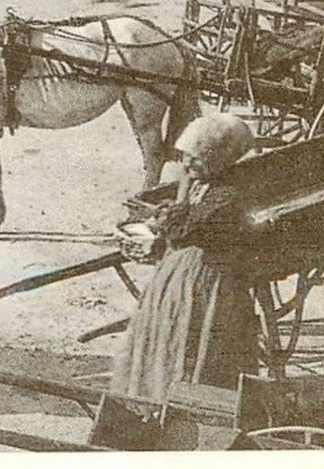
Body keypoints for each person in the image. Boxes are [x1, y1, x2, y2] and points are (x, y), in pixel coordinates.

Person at [108, 114, 261, 404]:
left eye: (197, 160)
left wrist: (166, 218)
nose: (188, 166)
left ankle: (191, 402)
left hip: (205, 280)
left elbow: (185, 228)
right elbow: (179, 220)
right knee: (165, 335)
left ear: (220, 160)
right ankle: (156, 396)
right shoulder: (199, 183)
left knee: (193, 339)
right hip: (179, 271)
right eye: (186, 157)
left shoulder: (226, 196)